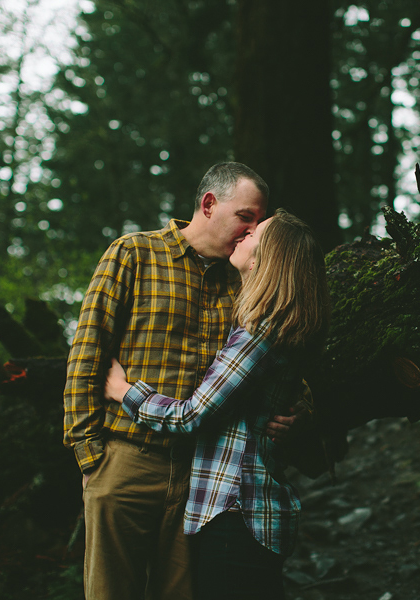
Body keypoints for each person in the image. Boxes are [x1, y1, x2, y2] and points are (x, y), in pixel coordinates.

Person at [64, 163, 301, 600]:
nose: (249, 231)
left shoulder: (247, 279)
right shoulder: (134, 253)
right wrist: (90, 457)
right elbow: (88, 352)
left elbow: (265, 369)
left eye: (256, 222)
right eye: (245, 217)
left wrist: (284, 415)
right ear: (209, 204)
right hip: (125, 460)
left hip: (201, 475)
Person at [103, 209, 331, 600]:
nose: (243, 234)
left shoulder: (260, 333)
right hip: (246, 513)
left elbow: (191, 415)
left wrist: (123, 391)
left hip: (237, 515)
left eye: (255, 234)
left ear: (266, 259)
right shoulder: (274, 326)